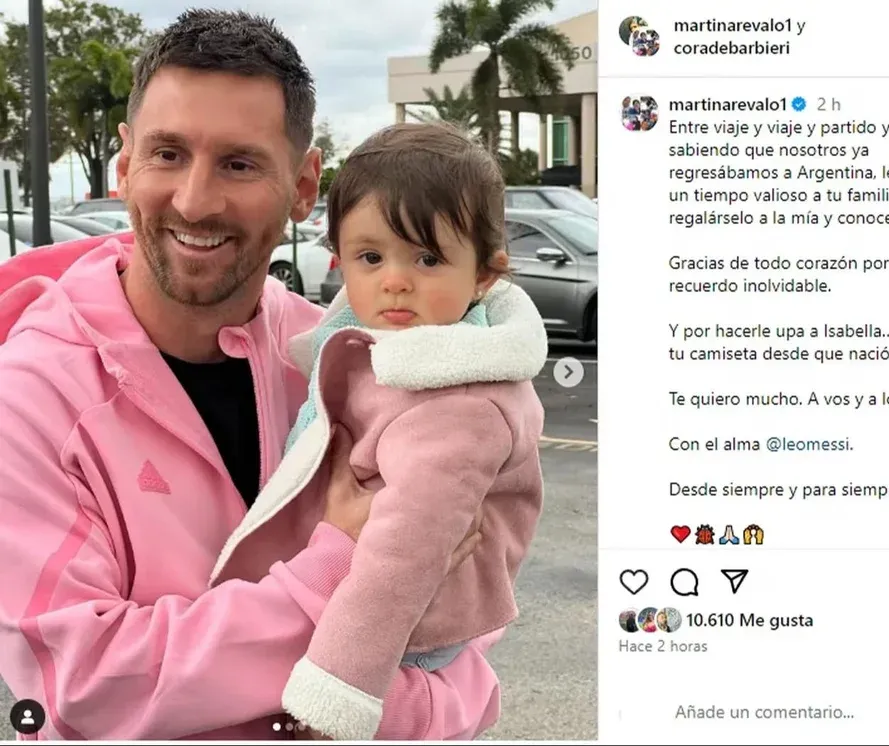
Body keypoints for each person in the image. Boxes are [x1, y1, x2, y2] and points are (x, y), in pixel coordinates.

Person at [0, 10, 508, 741]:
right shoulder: (30, 395)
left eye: (239, 164)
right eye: (168, 153)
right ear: (125, 163)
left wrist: (375, 711)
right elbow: (85, 682)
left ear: (304, 185)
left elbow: (462, 642)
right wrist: (339, 567)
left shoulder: (350, 360)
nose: (195, 200)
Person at [208, 122, 546, 739]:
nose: (394, 279)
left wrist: (337, 689)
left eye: (428, 258)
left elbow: (404, 559)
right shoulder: (380, 344)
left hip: (400, 635)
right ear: (340, 258)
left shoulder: (458, 401)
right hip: (351, 598)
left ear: (484, 275)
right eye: (371, 257)